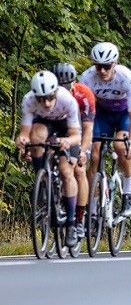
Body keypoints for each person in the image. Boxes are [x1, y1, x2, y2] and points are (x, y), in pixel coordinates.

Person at [18, 71, 84, 246]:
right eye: (41, 99)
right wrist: (22, 141)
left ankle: (71, 223)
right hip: (44, 124)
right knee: (35, 136)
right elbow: (25, 132)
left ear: (55, 92)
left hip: (66, 128)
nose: (46, 103)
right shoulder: (28, 100)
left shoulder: (67, 100)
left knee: (66, 171)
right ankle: (42, 177)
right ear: (35, 96)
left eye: (49, 98)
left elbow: (76, 136)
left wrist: (67, 141)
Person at [79, 41, 131, 217]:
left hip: (123, 115)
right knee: (95, 156)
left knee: (121, 146)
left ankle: (128, 190)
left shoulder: (126, 77)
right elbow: (82, 114)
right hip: (101, 114)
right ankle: (92, 210)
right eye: (98, 66)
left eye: (107, 66)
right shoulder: (87, 78)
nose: (102, 71)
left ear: (115, 63)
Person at [52, 62, 95, 229]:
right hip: (59, 128)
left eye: (66, 87)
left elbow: (87, 129)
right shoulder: (49, 95)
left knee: (79, 169)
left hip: (80, 130)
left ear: (73, 83)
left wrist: (82, 151)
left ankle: (79, 217)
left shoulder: (84, 95)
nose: (63, 91)